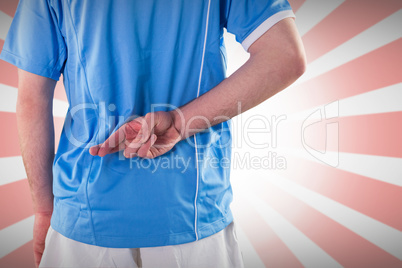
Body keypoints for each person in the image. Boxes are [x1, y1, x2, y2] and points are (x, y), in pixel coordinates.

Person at [0, 0, 306, 267]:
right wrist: (177, 123)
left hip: (85, 215)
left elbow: (32, 98)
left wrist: (43, 209)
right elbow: (284, 55)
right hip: (192, 212)